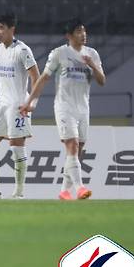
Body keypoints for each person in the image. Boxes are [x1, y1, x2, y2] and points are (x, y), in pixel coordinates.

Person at [20, 18, 106, 200]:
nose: (83, 35)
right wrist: (29, 101)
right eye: (78, 31)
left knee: (77, 150)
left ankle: (64, 190)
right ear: (69, 35)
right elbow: (43, 78)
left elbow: (102, 81)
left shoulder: (92, 54)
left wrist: (92, 65)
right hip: (64, 107)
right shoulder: (59, 54)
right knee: (72, 146)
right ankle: (80, 188)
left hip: (83, 108)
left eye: (84, 31)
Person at [0, 13, 40, 199]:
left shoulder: (22, 50)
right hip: (1, 103)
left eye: (1, 28)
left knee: (16, 146)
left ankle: (19, 192)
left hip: (18, 104)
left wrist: (31, 102)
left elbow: (35, 77)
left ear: (11, 29)